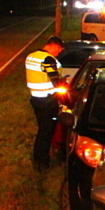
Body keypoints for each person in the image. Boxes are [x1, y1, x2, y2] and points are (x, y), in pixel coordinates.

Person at [25, 36, 65, 171]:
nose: (58, 54)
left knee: (42, 129)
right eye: (59, 51)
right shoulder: (48, 60)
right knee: (47, 132)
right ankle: (42, 162)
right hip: (48, 101)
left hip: (35, 99)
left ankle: (37, 156)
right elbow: (55, 80)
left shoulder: (31, 56)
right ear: (55, 46)